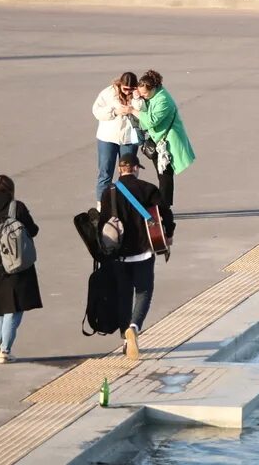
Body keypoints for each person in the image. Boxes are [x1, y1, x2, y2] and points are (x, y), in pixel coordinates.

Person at [98, 153, 164, 359]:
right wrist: (167, 236)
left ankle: (126, 340)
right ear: (136, 169)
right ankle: (134, 327)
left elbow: (103, 223)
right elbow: (165, 216)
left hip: (119, 256)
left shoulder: (109, 193)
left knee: (124, 296)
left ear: (119, 169)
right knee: (144, 292)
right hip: (144, 252)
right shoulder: (148, 189)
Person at [0, 174, 42, 364]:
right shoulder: (16, 207)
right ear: (10, 189)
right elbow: (33, 230)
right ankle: (5, 350)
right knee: (14, 307)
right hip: (15, 265)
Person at [132, 69, 194, 239]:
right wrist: (139, 100)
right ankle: (164, 205)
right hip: (160, 141)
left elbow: (151, 120)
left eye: (145, 93)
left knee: (165, 174)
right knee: (162, 174)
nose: (143, 96)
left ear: (153, 88)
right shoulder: (154, 95)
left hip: (168, 142)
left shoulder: (163, 99)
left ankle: (164, 207)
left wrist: (134, 110)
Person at [92, 72, 143, 202]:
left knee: (128, 173)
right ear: (120, 84)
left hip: (129, 138)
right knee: (105, 172)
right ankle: (102, 205)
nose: (128, 92)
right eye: (125, 89)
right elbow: (97, 112)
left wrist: (136, 100)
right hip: (107, 137)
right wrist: (115, 111)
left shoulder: (138, 94)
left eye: (131, 89)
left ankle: (127, 204)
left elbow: (143, 112)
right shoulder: (108, 93)